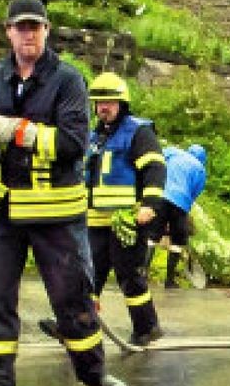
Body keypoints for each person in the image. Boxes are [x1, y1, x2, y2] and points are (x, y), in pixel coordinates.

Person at [0, 0, 129, 386]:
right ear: (9, 32)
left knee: (72, 300)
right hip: (3, 213)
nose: (28, 33)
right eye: (21, 27)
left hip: (56, 215)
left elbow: (73, 143)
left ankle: (93, 372)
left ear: (47, 31)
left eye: (35, 26)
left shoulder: (67, 81)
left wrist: (16, 130)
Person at [40, 72, 166, 347]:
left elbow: (155, 168)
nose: (102, 108)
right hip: (94, 220)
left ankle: (147, 328)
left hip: (126, 221)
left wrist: (150, 205)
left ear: (122, 103)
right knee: (86, 277)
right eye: (98, 103)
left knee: (130, 279)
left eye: (108, 102)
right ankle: (77, 327)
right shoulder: (94, 136)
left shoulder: (138, 132)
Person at [150, 143, 207, 288]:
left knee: (152, 237)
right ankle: (169, 281)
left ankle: (142, 273)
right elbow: (195, 193)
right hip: (181, 203)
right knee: (176, 242)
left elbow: (157, 159)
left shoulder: (173, 152)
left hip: (161, 196)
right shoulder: (200, 169)